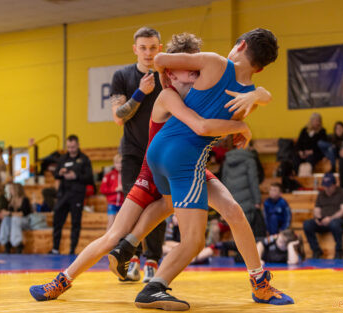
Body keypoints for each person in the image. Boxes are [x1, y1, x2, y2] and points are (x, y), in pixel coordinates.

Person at [29, 32, 291, 307]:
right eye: (188, 70)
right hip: (164, 166)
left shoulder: (223, 84)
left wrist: (260, 95)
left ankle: (130, 247)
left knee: (226, 210)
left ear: (241, 46)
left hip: (180, 165)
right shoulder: (169, 94)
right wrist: (247, 116)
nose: (192, 77)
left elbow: (209, 118)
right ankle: (142, 275)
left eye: (194, 72)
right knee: (184, 237)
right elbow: (202, 125)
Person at [136, 28, 293, 309]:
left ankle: (260, 282)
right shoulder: (246, 101)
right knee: (194, 241)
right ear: (262, 67)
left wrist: (169, 90)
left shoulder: (212, 62)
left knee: (232, 210)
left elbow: (159, 59)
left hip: (161, 148)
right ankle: (153, 287)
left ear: (241, 45)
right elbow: (215, 125)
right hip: (184, 158)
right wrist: (251, 108)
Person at [110, 26, 166, 281]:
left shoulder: (168, 76)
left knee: (159, 206)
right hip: (133, 153)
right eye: (143, 47)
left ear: (160, 49)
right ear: (135, 49)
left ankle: (152, 261)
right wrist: (140, 93)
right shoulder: (122, 76)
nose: (148, 52)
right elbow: (119, 117)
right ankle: (132, 259)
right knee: (133, 208)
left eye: (153, 47)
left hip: (161, 151)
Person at [49, 135, 94, 255]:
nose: (71, 149)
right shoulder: (63, 159)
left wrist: (76, 176)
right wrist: (61, 172)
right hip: (63, 194)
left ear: (78, 145)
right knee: (57, 220)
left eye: (73, 147)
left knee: (75, 223)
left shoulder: (84, 159)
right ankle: (55, 248)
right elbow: (56, 175)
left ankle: (72, 249)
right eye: (69, 147)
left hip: (77, 195)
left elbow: (90, 178)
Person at [303, 172, 343, 259]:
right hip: (323, 220)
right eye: (325, 186)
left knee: (335, 224)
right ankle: (316, 250)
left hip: (338, 220)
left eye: (329, 186)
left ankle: (339, 250)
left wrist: (330, 218)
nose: (327, 188)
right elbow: (317, 209)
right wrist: (318, 218)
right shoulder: (321, 194)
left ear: (334, 184)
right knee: (307, 224)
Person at [221, 145, 265, 237]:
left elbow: (223, 182)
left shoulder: (227, 161)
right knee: (246, 232)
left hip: (231, 200)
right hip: (247, 199)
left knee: (235, 230)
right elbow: (253, 181)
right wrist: (257, 200)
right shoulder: (250, 160)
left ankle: (237, 249)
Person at [0, 183, 31, 253]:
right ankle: (6, 243)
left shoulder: (25, 200)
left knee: (15, 219)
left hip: (25, 221)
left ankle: (18, 244)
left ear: (17, 190)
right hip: (15, 221)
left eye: (12, 189)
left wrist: (9, 213)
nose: (10, 191)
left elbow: (22, 214)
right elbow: (10, 214)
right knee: (6, 219)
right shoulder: (11, 201)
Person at [100, 154, 124, 230]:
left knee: (120, 225)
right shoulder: (109, 175)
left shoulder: (126, 175)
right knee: (111, 224)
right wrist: (115, 190)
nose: (119, 165)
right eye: (117, 163)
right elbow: (102, 189)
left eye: (121, 163)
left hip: (123, 203)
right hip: (112, 203)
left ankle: (118, 242)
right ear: (114, 164)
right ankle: (108, 241)